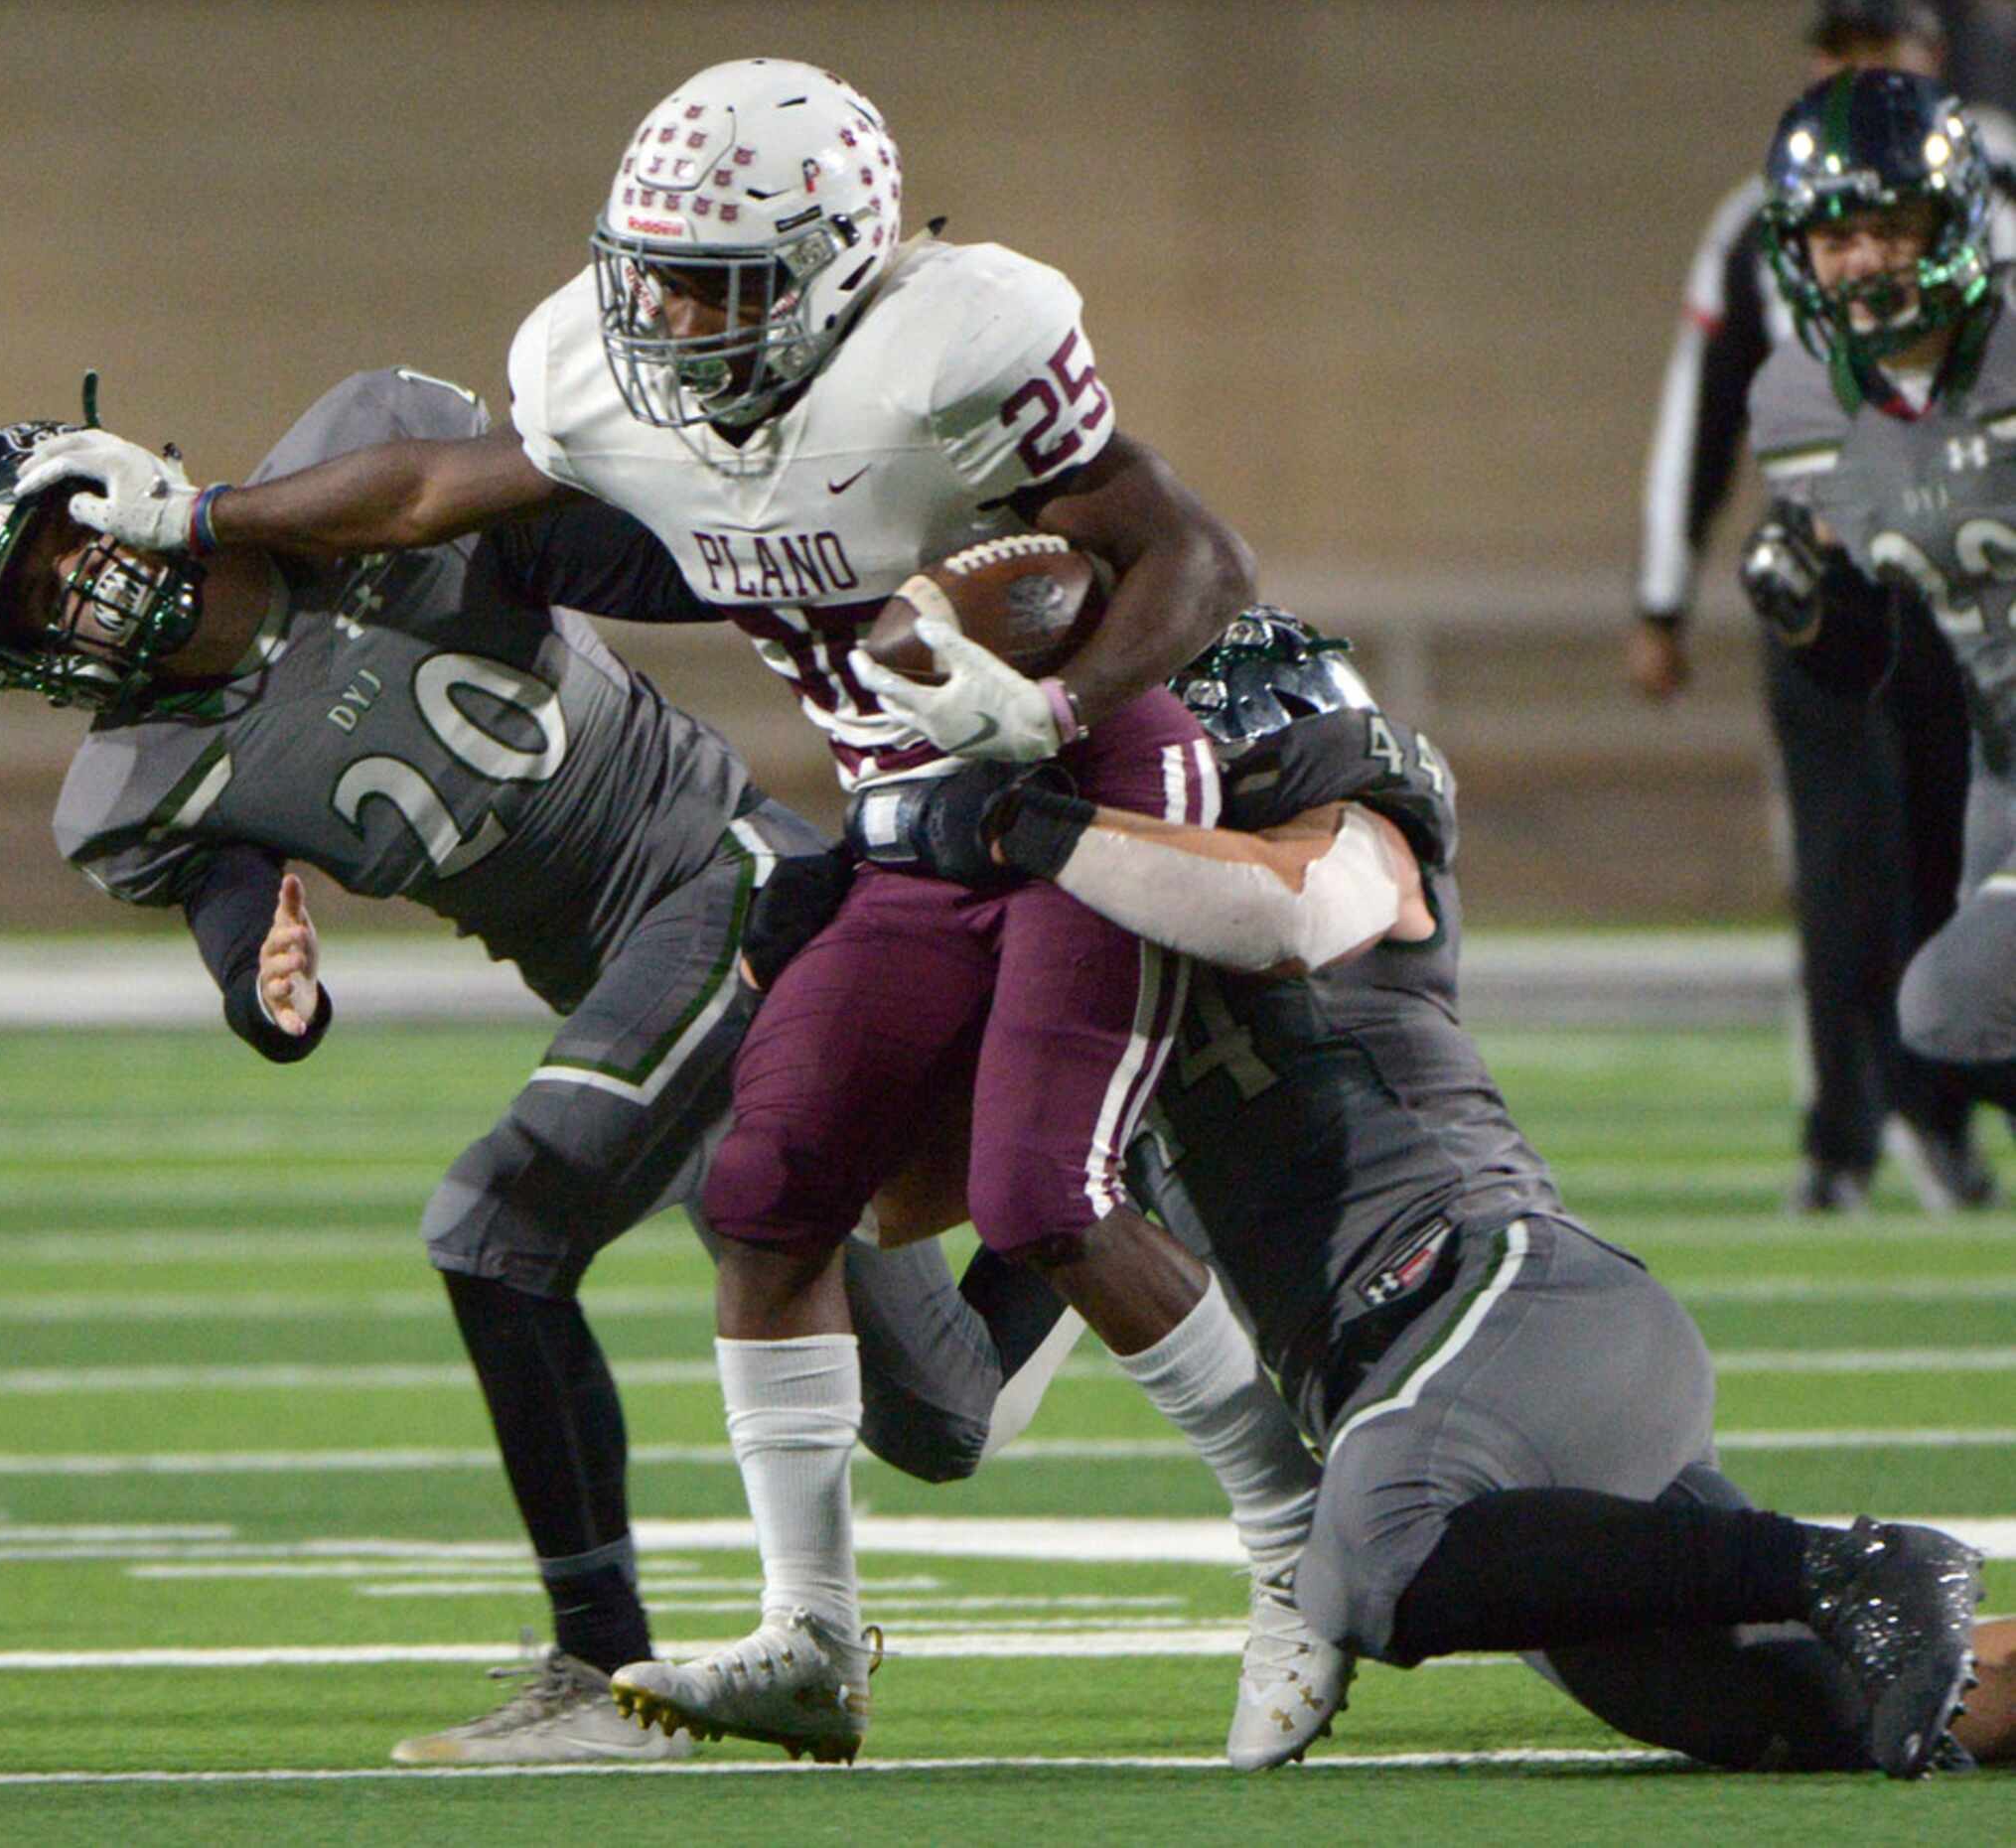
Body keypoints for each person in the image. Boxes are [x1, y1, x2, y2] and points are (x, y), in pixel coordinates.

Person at [8, 57, 1317, 1771]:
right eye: (658, 274)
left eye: (722, 279)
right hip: (757, 892)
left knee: (565, 1222)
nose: (678, 316)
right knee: (896, 1362)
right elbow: (412, 535)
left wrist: (1025, 695)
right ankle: (866, 1560)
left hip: (880, 831)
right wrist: (266, 964)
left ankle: (1274, 1547)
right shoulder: (143, 776)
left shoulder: (931, 353)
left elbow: (1167, 557)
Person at [0, 364, 1050, 1769]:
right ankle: (1107, 1160)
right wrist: (269, 992)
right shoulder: (133, 786)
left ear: (122, 480)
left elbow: (621, 545)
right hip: (626, 987)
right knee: (942, 1415)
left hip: (733, 879)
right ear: (27, 657)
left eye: (67, 544)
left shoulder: (354, 471)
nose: (81, 591)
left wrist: (803, 562)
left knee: (493, 1228)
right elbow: (242, 942)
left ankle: (596, 1664)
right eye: (36, 597)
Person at [854, 609, 1996, 1777]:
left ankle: (1846, 1560)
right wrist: (801, 1100)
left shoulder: (1355, 829)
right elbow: (964, 1397)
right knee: (1804, 1704)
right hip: (1453, 1425)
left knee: (1371, 1560)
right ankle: (1855, 1599)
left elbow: (1283, 914)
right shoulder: (1102, 1040)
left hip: (1510, 1309)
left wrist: (1031, 829)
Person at [1630, 0, 2011, 1214]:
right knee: (1847, 867)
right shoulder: (1759, 233)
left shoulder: (1997, 183)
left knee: (1959, 854)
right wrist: (1664, 589)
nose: (1859, 257)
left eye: (1876, 46)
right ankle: (1844, 1132)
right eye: (1833, 48)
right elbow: (1704, 406)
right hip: (1853, 574)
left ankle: (1939, 1117)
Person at [1748, 66, 2016, 1126]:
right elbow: (1860, 662)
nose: (1861, 260)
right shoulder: (1798, 401)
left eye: (1890, 226)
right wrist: (1807, 610)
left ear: (1949, 221)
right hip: (2002, 762)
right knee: (1950, 1014)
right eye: (1833, 235)